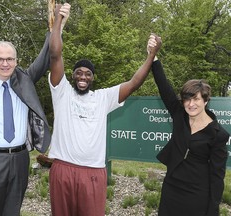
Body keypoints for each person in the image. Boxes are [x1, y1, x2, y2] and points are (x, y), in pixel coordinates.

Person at [0, 5, 70, 216]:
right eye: (0, 59)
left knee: (12, 212)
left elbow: (46, 57)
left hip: (19, 160)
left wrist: (58, 26)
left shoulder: (23, 81)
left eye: (10, 59)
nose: (5, 64)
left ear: (16, 61)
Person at [47, 4, 161, 216]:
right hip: (63, 169)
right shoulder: (62, 92)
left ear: (93, 78)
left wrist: (151, 55)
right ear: (72, 76)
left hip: (93, 173)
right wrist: (58, 22)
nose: (83, 77)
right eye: (79, 73)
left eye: (88, 74)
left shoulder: (103, 98)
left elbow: (134, 83)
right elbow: (55, 55)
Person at [148, 35, 230, 216]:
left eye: (196, 99)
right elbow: (164, 86)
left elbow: (217, 177)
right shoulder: (180, 115)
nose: (190, 104)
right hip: (172, 187)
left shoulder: (218, 134)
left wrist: (212, 210)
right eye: (187, 99)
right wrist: (153, 56)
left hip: (197, 195)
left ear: (206, 101)